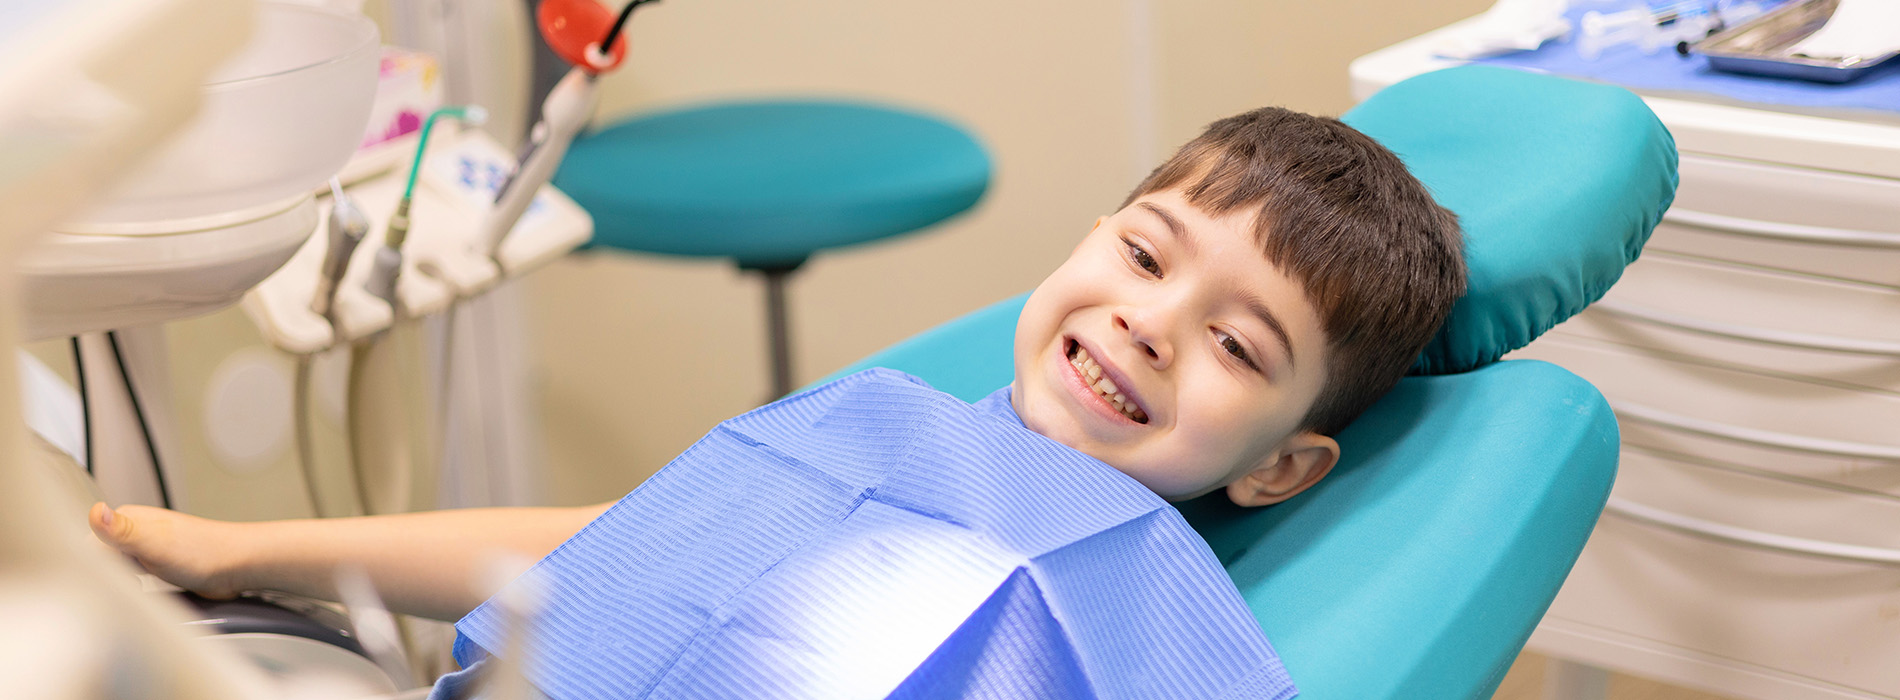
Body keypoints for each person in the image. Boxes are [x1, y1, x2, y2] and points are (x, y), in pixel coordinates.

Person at [87, 105, 1464, 626]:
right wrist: (237, 546)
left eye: (1235, 343)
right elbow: (606, 551)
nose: (1154, 322)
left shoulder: (1134, 604)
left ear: (1284, 466)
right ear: (1086, 244)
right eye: (1150, 257)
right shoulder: (889, 433)